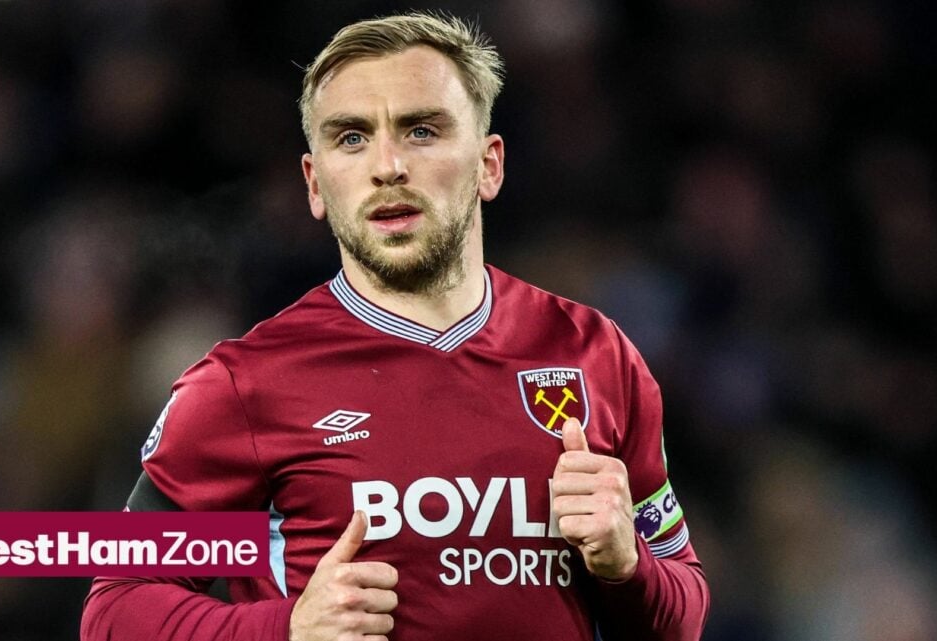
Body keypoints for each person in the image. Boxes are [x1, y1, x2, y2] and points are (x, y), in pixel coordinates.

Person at [81, 11, 709, 641]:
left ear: (489, 165)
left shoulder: (595, 354)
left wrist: (627, 566)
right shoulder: (245, 384)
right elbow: (115, 609)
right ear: (315, 184)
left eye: (421, 131)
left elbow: (683, 612)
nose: (387, 166)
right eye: (351, 137)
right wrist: (288, 629)